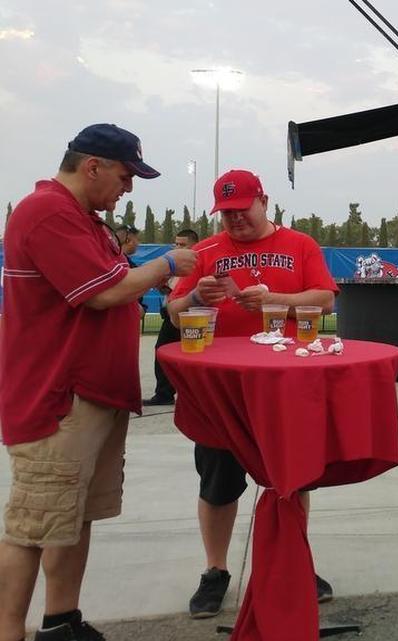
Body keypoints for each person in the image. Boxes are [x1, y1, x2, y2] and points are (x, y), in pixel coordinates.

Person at [0, 123, 197, 641]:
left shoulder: (84, 219)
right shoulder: (46, 212)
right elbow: (102, 293)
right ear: (93, 166)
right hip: (58, 398)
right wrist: (167, 264)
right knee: (33, 526)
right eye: (126, 175)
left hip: (92, 394)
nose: (128, 188)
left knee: (72, 517)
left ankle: (61, 620)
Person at [167, 169, 339, 618]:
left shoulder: (300, 244)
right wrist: (196, 299)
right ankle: (215, 570)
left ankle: (295, 562)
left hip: (285, 384)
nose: (234, 220)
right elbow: (173, 310)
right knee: (218, 482)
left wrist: (272, 300)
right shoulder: (205, 251)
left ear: (264, 200)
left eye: (242, 209)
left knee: (292, 478)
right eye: (225, 213)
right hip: (220, 388)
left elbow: (325, 299)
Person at [145, 229, 199, 406]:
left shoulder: (198, 264)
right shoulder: (174, 266)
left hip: (190, 316)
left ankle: (191, 395)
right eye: (176, 243)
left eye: (182, 244)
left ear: (194, 246)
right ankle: (164, 393)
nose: (177, 247)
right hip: (171, 315)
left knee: (192, 358)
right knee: (162, 352)